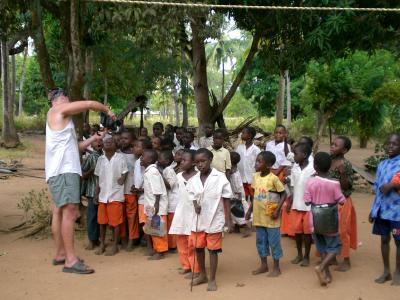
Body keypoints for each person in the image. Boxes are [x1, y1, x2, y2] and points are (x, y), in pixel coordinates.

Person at [46, 87, 114, 274]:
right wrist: (107, 110)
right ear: (62, 98)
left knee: (59, 211)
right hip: (64, 171)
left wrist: (94, 138)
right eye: (68, 97)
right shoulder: (58, 109)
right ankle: (70, 260)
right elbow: (90, 104)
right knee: (70, 211)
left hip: (58, 171)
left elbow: (75, 147)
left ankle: (61, 254)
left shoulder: (57, 117)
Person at [187, 148, 233, 291]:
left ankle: (212, 279)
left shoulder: (219, 177)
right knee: (199, 247)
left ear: (210, 160)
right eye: (197, 162)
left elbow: (226, 198)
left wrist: (228, 220)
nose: (200, 164)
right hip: (198, 219)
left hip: (215, 218)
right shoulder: (193, 180)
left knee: (213, 250)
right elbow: (192, 195)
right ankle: (202, 275)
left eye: (203, 161)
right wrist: (195, 205)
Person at [304, 152, 346, 286]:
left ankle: (327, 274)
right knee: (334, 246)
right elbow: (342, 201)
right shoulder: (334, 183)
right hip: (330, 220)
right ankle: (321, 268)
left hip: (314, 219)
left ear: (315, 166)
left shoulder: (310, 181)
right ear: (330, 167)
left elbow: (306, 201)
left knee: (322, 247)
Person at [246, 151, 286, 277]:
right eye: (256, 161)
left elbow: (284, 194)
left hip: (271, 216)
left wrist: (277, 210)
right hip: (259, 216)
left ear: (268, 165)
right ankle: (263, 265)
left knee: (274, 242)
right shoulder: (255, 177)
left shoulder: (273, 178)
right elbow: (255, 195)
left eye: (259, 161)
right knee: (261, 241)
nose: (256, 163)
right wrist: (249, 210)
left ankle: (276, 267)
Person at [370, 133, 400, 285]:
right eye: (388, 143)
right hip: (382, 211)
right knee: (384, 240)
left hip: (397, 212)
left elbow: (392, 185)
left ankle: (398, 273)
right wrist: (372, 210)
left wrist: (393, 185)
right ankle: (386, 271)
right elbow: (377, 187)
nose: (390, 146)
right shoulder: (382, 164)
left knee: (398, 241)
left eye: (394, 144)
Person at [94, 136, 128, 256]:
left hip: (115, 195)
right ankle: (102, 244)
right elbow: (99, 178)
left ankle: (115, 246)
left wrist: (122, 179)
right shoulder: (100, 160)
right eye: (106, 142)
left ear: (115, 145)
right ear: (102, 145)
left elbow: (125, 171)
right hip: (103, 196)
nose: (108, 143)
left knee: (116, 223)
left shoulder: (121, 158)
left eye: (111, 141)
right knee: (102, 222)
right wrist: (96, 194)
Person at [169, 149, 200, 276]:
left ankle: (196, 268)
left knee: (193, 242)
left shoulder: (199, 177)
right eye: (181, 160)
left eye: (184, 160)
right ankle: (186, 265)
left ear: (193, 162)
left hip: (193, 212)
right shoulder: (178, 177)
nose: (181, 162)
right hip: (181, 211)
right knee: (181, 240)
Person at [329, 136, 357, 272]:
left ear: (344, 150)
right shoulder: (328, 160)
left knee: (343, 230)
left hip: (342, 201)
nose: (332, 146)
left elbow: (347, 185)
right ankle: (332, 256)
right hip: (328, 201)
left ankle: (346, 259)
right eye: (332, 144)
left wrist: (342, 173)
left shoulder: (345, 164)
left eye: (336, 145)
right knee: (329, 230)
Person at [287, 143, 315, 267]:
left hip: (308, 207)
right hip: (296, 205)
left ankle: (306, 256)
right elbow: (293, 186)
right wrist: (290, 201)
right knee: (297, 232)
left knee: (307, 233)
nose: (294, 156)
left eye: (296, 154)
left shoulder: (313, 169)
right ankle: (299, 254)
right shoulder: (295, 168)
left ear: (304, 155)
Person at [142, 149, 169, 260]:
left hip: (155, 206)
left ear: (150, 159)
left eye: (143, 156)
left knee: (157, 228)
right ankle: (157, 249)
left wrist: (156, 205)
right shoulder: (149, 171)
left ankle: (160, 251)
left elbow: (157, 190)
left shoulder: (152, 171)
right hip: (150, 205)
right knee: (153, 228)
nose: (141, 158)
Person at [265, 125, 292, 236]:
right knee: (269, 194)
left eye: (281, 133)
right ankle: (270, 216)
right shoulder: (269, 144)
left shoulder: (287, 146)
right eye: (276, 132)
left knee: (281, 193)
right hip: (269, 170)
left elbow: (286, 160)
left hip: (279, 171)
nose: (278, 135)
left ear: (285, 134)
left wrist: (278, 171)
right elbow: (266, 157)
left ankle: (282, 220)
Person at [81, 139, 103, 250]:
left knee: (101, 218)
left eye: (101, 141)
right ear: (92, 145)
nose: (99, 143)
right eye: (95, 142)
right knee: (92, 217)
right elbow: (83, 175)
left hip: (104, 193)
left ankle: (98, 239)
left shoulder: (105, 157)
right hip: (91, 192)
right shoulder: (91, 157)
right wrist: (92, 170)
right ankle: (91, 240)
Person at [120, 130, 139, 251]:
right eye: (122, 138)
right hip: (118, 191)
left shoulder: (136, 155)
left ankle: (132, 238)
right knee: (121, 216)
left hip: (131, 190)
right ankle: (123, 238)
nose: (123, 141)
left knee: (132, 216)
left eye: (126, 139)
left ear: (132, 141)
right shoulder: (117, 153)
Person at [132, 139, 153, 242]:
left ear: (144, 149)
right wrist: (135, 187)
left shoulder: (152, 163)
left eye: (137, 146)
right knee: (144, 220)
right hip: (141, 197)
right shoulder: (137, 162)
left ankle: (156, 246)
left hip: (150, 198)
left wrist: (141, 189)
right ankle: (149, 243)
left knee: (152, 220)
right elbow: (137, 178)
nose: (134, 148)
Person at [158, 150, 179, 251]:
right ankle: (171, 245)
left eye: (160, 158)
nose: (158, 159)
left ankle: (173, 245)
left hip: (173, 202)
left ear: (166, 161)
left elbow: (170, 185)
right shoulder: (166, 169)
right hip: (170, 201)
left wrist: (160, 176)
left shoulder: (168, 170)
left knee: (171, 224)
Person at [235, 127, 261, 201]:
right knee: (244, 195)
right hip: (241, 176)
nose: (241, 134)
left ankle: (253, 209)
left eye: (243, 133)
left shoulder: (256, 149)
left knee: (253, 194)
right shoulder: (240, 147)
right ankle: (245, 208)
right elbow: (236, 158)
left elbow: (258, 163)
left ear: (249, 135)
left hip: (251, 177)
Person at [229, 151, 251, 237]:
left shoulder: (235, 173)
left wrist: (238, 195)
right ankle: (237, 227)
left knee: (238, 210)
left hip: (237, 194)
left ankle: (245, 227)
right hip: (235, 193)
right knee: (234, 210)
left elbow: (237, 185)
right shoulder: (233, 170)